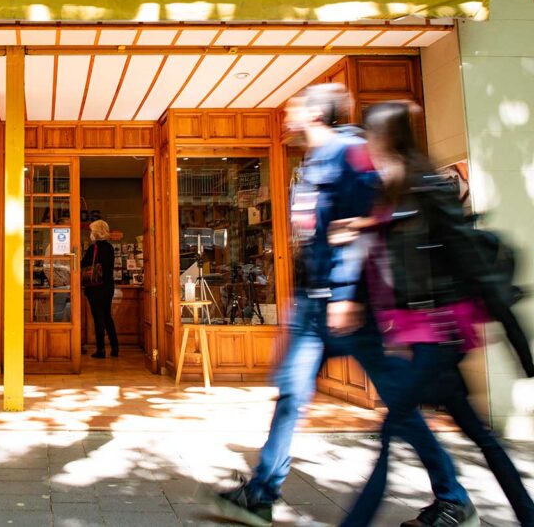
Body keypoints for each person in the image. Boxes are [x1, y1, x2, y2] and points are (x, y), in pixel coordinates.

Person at [210, 84, 471, 527]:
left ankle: (453, 498)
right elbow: (319, 236)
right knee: (291, 393)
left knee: (397, 403)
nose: (286, 113)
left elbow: (365, 228)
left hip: (350, 307)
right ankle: (261, 493)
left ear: (315, 114)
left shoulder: (352, 153)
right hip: (315, 306)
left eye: (295, 107)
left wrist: (346, 293)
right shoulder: (313, 161)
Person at [336, 101, 534, 527]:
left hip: (439, 333)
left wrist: (519, 343)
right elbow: (395, 246)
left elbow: (466, 256)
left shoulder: (425, 185)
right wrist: (360, 229)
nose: (365, 145)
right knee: (481, 436)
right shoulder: (396, 188)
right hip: (423, 335)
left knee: (392, 430)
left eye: (369, 135)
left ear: (383, 137)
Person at [81, 219, 118, 358]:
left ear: (96, 232)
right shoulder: (110, 248)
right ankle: (115, 347)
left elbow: (84, 264)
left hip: (95, 287)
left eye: (91, 231)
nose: (90, 233)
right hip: (108, 286)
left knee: (97, 318)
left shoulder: (93, 248)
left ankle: (101, 349)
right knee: (107, 316)